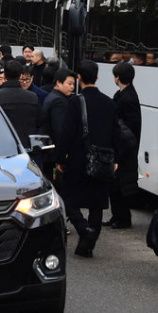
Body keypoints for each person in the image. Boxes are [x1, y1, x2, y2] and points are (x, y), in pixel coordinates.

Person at [55, 60, 120, 258]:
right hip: (103, 159)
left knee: (68, 198)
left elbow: (66, 133)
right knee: (97, 202)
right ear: (97, 77)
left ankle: (85, 231)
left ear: (79, 79)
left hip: (78, 158)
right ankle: (87, 245)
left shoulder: (75, 102)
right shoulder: (110, 103)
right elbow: (116, 133)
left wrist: (60, 157)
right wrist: (115, 158)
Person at [104, 62, 142, 229]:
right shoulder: (123, 94)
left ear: (117, 77)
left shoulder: (128, 98)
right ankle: (116, 216)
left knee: (121, 186)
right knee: (115, 185)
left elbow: (130, 126)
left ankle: (123, 218)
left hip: (124, 147)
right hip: (121, 144)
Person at [0, 60, 41, 149]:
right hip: (26, 146)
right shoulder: (33, 97)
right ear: (20, 75)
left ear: (5, 75)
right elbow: (39, 122)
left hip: (2, 146)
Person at [41, 68, 76, 180]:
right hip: (53, 154)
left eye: (73, 84)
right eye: (69, 83)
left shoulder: (53, 96)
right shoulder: (59, 101)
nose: (72, 87)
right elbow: (60, 130)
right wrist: (62, 154)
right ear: (58, 82)